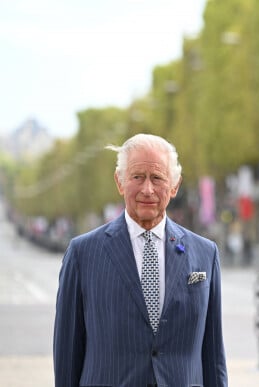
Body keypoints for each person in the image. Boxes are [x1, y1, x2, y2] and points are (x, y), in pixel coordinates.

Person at [53, 133, 228, 387]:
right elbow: (67, 356)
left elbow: (213, 356)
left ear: (175, 185)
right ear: (120, 182)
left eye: (157, 178)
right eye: (137, 177)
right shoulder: (82, 254)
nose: (148, 189)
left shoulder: (205, 254)